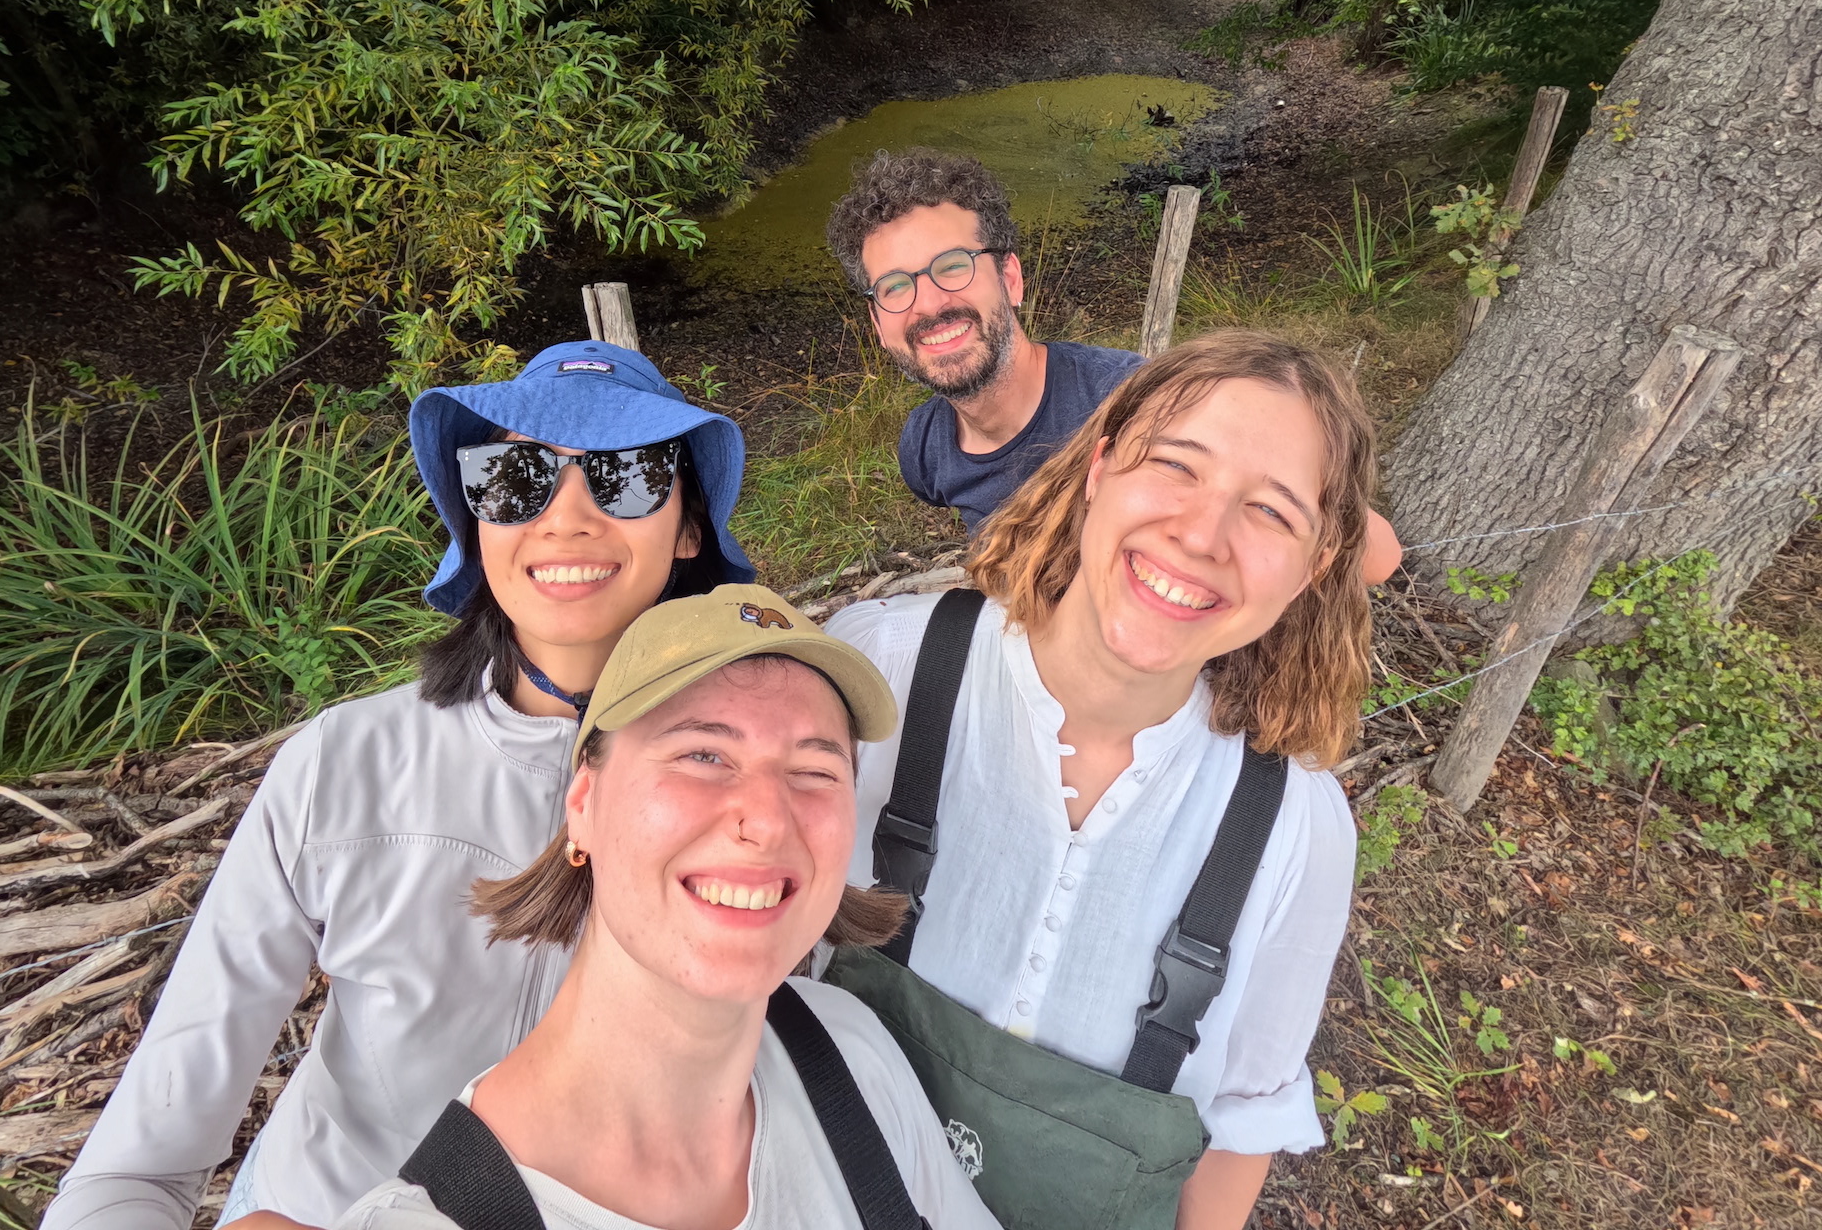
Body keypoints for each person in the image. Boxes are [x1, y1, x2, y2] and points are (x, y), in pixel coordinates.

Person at [45, 342, 757, 1230]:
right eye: (514, 476)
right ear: (476, 517)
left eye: (628, 475)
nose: (566, 519)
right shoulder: (343, 763)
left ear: (689, 524)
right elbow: (138, 1167)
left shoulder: (757, 788)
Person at [824, 329, 1374, 1230]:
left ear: (1314, 570)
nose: (1201, 534)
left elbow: (1242, 1121)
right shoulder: (880, 672)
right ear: (1100, 464)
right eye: (1176, 466)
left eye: (1271, 512)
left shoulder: (1293, 830)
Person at [327, 585, 1002, 1230]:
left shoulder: (849, 1054)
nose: (768, 819)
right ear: (583, 804)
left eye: (814, 771)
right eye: (703, 754)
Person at [824, 148, 1404, 579]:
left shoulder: (1134, 399)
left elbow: (1377, 556)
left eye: (952, 266)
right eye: (895, 286)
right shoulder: (925, 450)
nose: (927, 303)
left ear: (1010, 279)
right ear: (879, 323)